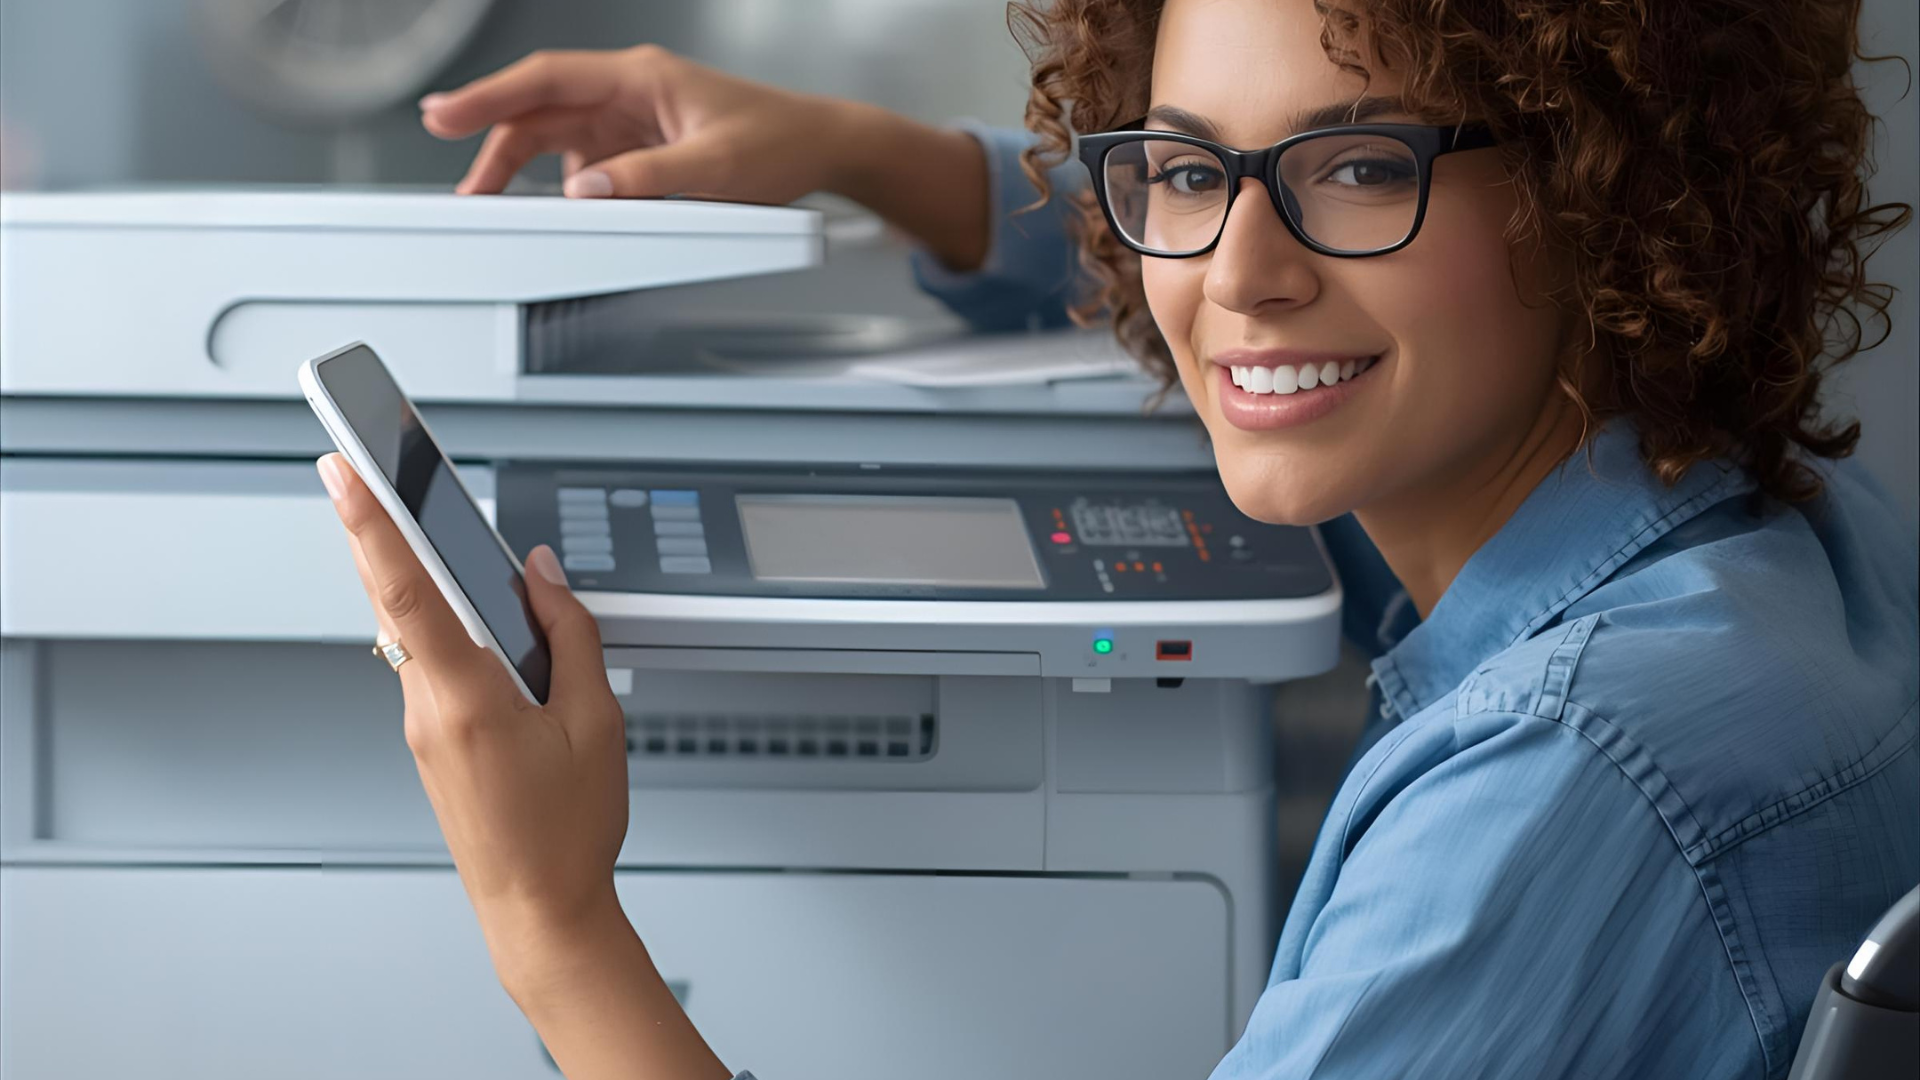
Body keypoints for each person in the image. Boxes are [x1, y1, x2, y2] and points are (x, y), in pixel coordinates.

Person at [312, 1, 1919, 1076]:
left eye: (1361, 166)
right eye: (1180, 167)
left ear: (1607, 190)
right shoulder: (1779, 532)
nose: (1238, 269)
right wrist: (870, 158)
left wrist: (552, 924)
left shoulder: (1565, 775)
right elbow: (1220, 245)